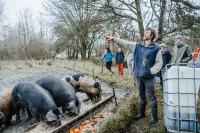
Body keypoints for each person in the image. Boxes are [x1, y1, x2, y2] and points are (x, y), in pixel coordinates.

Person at [104, 27, 163, 124]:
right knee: (141, 94)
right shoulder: (137, 46)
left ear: (152, 36)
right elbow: (125, 43)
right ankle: (142, 113)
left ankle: (154, 118)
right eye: (145, 32)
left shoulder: (156, 49)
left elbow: (159, 63)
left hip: (148, 77)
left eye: (147, 33)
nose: (145, 34)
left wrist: (151, 71)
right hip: (138, 76)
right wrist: (113, 39)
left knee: (151, 96)